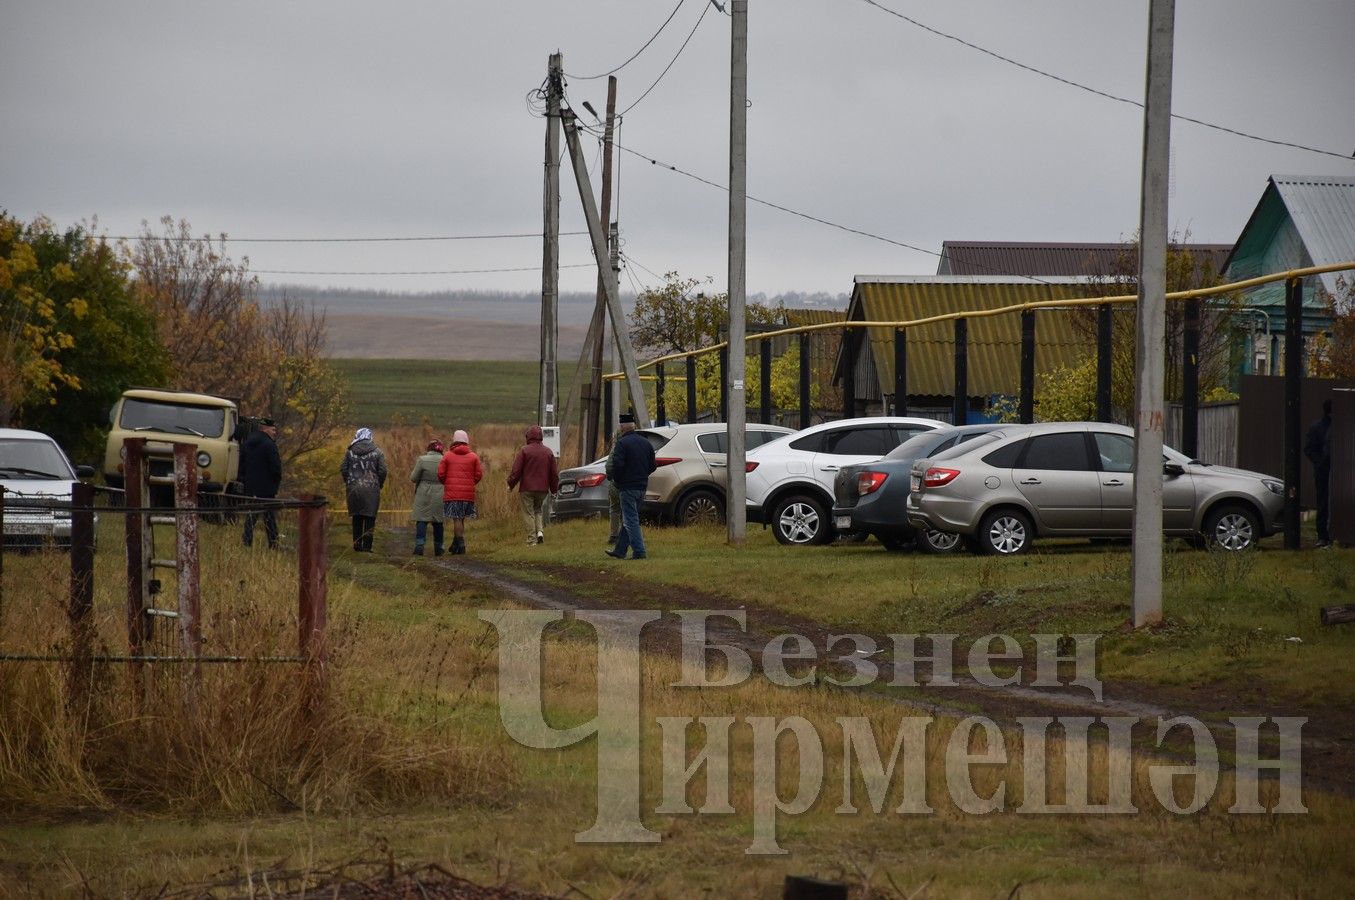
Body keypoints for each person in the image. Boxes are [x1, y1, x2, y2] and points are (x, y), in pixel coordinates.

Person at [605, 413, 656, 560]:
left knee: (630, 520)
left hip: (627, 487)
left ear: (622, 427)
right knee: (631, 517)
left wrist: (618, 480)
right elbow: (653, 466)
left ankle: (639, 551)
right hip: (642, 486)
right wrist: (642, 475)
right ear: (634, 426)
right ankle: (620, 550)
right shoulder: (646, 443)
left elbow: (618, 466)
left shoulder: (622, 444)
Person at [507, 425, 560, 545]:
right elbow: (553, 474)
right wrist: (554, 489)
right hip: (542, 489)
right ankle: (540, 532)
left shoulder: (524, 451)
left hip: (527, 488)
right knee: (538, 510)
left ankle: (532, 540)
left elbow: (516, 471)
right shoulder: (548, 452)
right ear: (541, 437)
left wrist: (511, 484)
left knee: (529, 513)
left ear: (528, 436)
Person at [340, 427, 387, 552]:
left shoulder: (350, 451)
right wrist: (379, 483)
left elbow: (344, 468)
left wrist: (348, 481)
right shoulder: (377, 452)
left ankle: (357, 544)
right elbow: (382, 470)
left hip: (353, 488)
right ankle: (367, 546)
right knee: (370, 517)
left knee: (357, 516)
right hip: (372, 488)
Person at [438, 429, 483, 555]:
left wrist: (447, 483)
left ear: (454, 441)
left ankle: (461, 543)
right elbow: (479, 474)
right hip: (468, 494)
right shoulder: (473, 457)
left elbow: (441, 474)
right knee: (461, 518)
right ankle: (455, 544)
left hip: (452, 494)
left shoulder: (447, 455)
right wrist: (470, 483)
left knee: (456, 518)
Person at [240, 417, 282, 549]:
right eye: (273, 429)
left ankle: (247, 541)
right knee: (269, 516)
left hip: (251, 486)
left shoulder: (247, 443)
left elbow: (241, 465)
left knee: (252, 515)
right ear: (265, 429)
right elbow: (275, 467)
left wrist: (244, 481)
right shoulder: (269, 445)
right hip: (266, 488)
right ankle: (273, 542)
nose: (275, 432)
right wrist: (276, 481)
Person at [1305, 398, 1333, 548]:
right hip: (1324, 470)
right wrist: (1321, 462)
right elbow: (1309, 449)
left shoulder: (1317, 427)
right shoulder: (1318, 428)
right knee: (1323, 502)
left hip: (1324, 470)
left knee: (1323, 502)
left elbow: (1308, 449)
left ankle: (1324, 535)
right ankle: (1323, 535)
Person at [409, 439, 446, 556]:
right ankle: (439, 547)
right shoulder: (445, 460)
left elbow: (413, 478)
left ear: (429, 448)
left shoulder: (422, 459)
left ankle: (419, 546)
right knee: (438, 521)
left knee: (421, 519)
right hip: (440, 491)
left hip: (423, 492)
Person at [604, 429, 622, 545]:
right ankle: (628, 535)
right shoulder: (634, 446)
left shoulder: (616, 449)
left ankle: (614, 535)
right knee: (628, 511)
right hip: (632, 484)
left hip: (616, 484)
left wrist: (611, 477)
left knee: (614, 509)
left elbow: (609, 466)